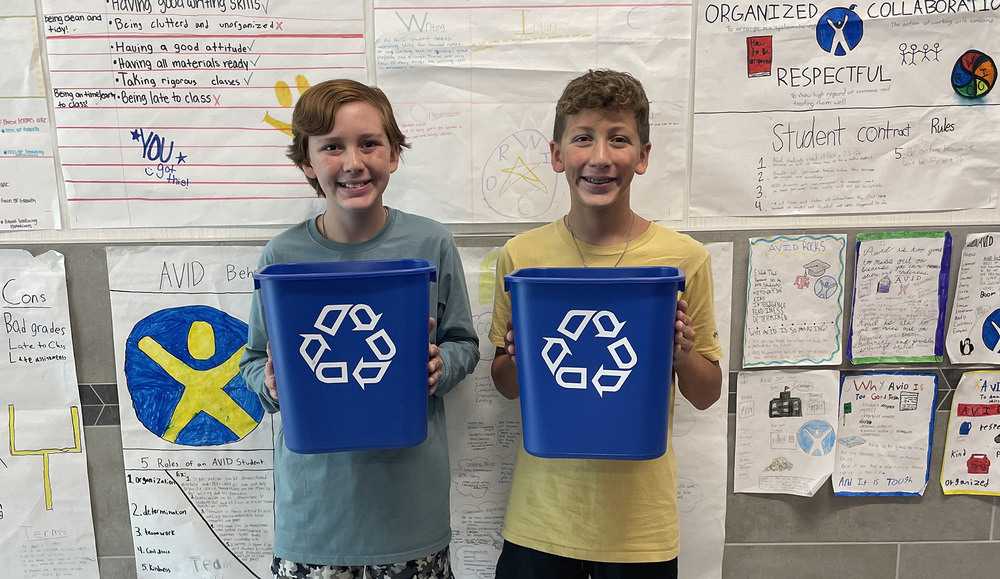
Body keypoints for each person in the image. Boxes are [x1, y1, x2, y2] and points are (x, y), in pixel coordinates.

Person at [239, 79, 479, 579]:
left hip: (410, 514)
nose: (353, 162)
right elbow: (254, 359)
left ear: (394, 154)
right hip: (315, 520)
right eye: (331, 146)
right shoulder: (281, 257)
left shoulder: (429, 243)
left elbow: (463, 343)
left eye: (369, 143)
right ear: (307, 164)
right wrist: (269, 382)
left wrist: (442, 366)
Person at [488, 69, 724, 579]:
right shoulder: (521, 257)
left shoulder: (684, 260)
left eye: (619, 139)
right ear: (557, 155)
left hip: (640, 529)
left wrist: (681, 351)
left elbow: (707, 394)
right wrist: (517, 355)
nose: (599, 156)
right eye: (582, 138)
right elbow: (506, 385)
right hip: (540, 519)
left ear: (642, 156)